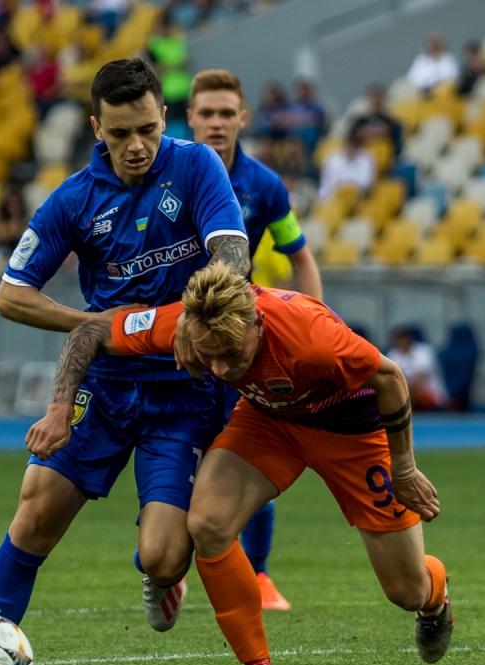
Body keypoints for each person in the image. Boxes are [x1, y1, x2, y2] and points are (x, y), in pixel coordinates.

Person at [0, 57, 250, 665]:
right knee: (35, 512)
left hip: (183, 395)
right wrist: (98, 327)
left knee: (162, 557)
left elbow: (233, 254)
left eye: (148, 130)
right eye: (121, 133)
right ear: (97, 128)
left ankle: (161, 576)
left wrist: (194, 316)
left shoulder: (196, 167)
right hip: (103, 386)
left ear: (165, 118)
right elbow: (11, 295)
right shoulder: (74, 199)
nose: (137, 146)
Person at [28, 263, 451, 665]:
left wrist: (404, 468)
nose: (219, 368)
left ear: (257, 323)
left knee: (406, 591)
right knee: (207, 523)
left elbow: (389, 377)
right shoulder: (185, 324)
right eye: (208, 354)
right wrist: (59, 408)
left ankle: (435, 599)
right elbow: (89, 332)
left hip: (352, 432)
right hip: (270, 422)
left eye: (229, 354)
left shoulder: (309, 335)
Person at [187, 68, 323, 610]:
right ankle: (167, 561)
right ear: (189, 118)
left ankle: (260, 573)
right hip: (177, 342)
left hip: (240, 348)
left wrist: (315, 324)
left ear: (243, 118)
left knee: (254, 454)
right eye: (207, 113)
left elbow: (300, 256)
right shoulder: (167, 175)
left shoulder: (265, 186)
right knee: (178, 452)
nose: (217, 123)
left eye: (226, 113)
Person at [386, 326, 447, 411]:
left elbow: (417, 382)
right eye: (398, 338)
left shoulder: (424, 351)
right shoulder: (392, 354)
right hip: (406, 397)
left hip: (431, 396)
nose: (400, 341)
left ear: (409, 338)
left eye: (403, 338)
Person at [317, 124, 375, 201]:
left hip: (358, 199)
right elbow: (326, 184)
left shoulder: (366, 158)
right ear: (345, 143)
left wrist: (347, 187)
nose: (351, 147)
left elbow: (366, 184)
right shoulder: (332, 158)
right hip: (334, 198)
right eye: (349, 143)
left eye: (354, 144)